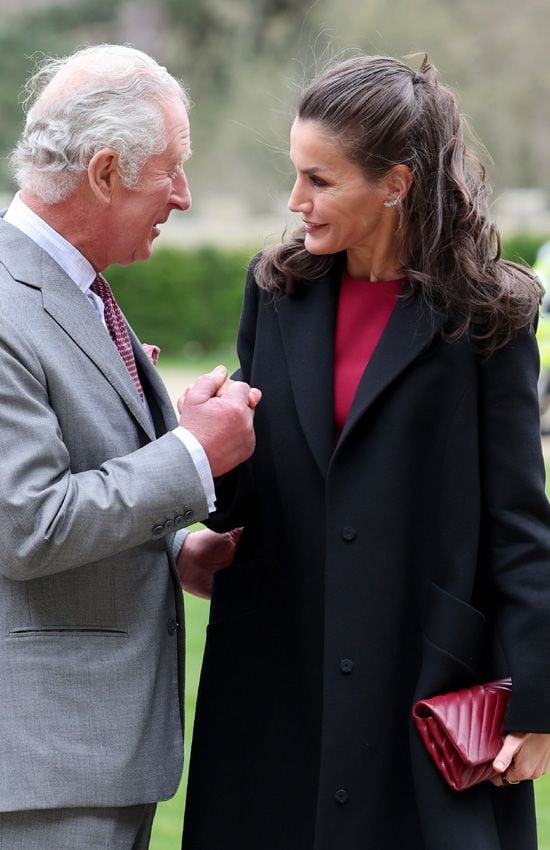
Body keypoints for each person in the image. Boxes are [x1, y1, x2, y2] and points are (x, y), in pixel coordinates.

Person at [182, 54, 550, 850]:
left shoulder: (490, 317)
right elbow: (254, 491)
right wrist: (211, 445)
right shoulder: (276, 292)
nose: (295, 202)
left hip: (422, 675)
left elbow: (520, 526)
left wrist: (539, 706)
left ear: (396, 183)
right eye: (295, 174)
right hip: (279, 665)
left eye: (320, 179)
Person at [0, 43, 260, 849]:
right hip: (46, 769)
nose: (182, 196)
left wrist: (176, 548)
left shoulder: (73, 288)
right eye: (172, 168)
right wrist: (190, 455)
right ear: (107, 172)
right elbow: (28, 523)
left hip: (89, 759)